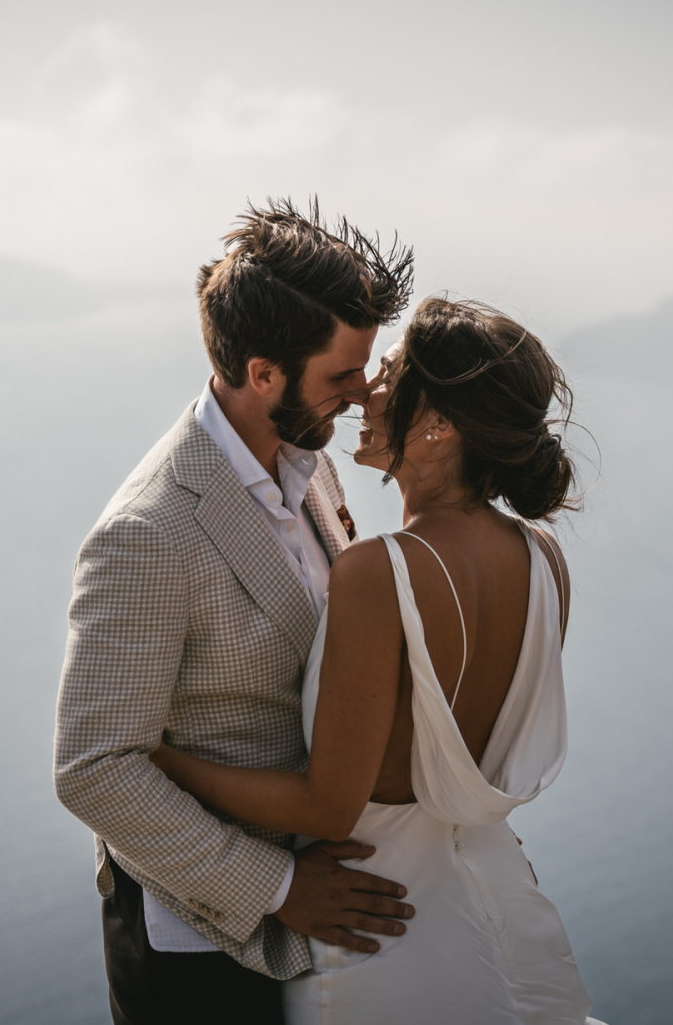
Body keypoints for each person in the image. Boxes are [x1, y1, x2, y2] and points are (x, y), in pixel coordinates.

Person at [149, 296, 600, 1023]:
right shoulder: (545, 560)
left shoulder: (378, 573)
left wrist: (167, 762)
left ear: (440, 424)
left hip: (376, 919)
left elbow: (330, 806)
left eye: (387, 372)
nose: (364, 389)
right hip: (498, 897)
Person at [54, 198, 417, 1024]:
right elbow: (93, 768)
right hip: (202, 957)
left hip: (318, 930)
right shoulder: (148, 535)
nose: (362, 394)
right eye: (341, 375)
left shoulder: (308, 461)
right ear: (263, 374)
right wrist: (281, 888)